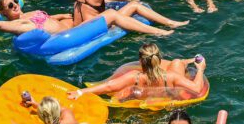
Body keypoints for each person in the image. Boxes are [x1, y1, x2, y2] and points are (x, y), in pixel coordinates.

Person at [68, 43, 208, 102]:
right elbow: (196, 88)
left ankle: (186, 61)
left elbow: (109, 86)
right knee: (177, 62)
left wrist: (80, 92)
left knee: (178, 62)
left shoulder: (134, 78)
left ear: (140, 61)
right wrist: (200, 69)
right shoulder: (171, 77)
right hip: (166, 103)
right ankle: (189, 61)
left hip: (142, 102)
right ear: (159, 59)